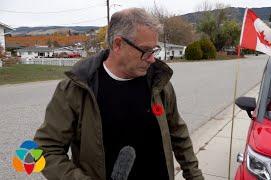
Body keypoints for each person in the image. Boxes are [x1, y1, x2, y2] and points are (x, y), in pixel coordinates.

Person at [34, 8, 204, 180]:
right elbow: (46, 149)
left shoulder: (158, 81)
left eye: (154, 50)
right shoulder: (77, 88)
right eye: (145, 50)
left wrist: (194, 176)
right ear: (117, 44)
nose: (152, 59)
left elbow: (178, 132)